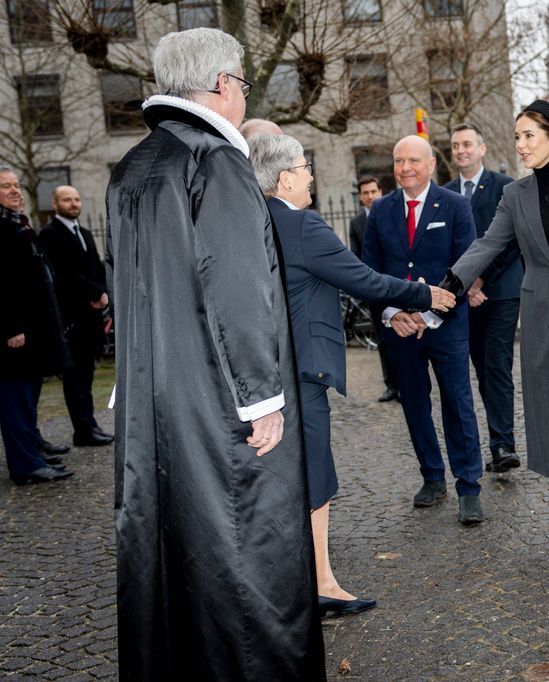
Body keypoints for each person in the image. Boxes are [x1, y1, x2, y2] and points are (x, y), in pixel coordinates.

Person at [105, 28, 324, 680]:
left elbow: (128, 286)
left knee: (169, 539)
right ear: (224, 85)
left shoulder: (133, 167)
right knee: (243, 549)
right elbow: (238, 284)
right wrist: (262, 397)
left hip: (156, 396)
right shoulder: (214, 162)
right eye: (244, 83)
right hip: (218, 396)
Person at [249, 134, 455, 615]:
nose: (311, 176)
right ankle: (319, 585)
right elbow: (361, 278)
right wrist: (424, 295)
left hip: (267, 369)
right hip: (303, 371)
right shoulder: (302, 224)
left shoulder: (251, 222)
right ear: (284, 178)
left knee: (283, 478)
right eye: (304, 167)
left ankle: (298, 581)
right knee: (315, 476)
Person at [449, 101, 549, 569]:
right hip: (538, 316)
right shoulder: (514, 195)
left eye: (528, 137)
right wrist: (451, 284)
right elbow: (488, 245)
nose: (519, 146)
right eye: (516, 137)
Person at [361, 135, 484, 525]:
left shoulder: (456, 206)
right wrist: (393, 313)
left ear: (432, 165)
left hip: (445, 325)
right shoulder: (380, 210)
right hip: (399, 328)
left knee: (457, 402)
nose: (405, 168)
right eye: (399, 161)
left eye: (414, 160)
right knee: (414, 403)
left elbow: (464, 266)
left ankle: (469, 486)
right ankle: (432, 477)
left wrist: (430, 314)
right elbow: (369, 271)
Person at [443, 124, 520, 474]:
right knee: (477, 369)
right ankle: (490, 442)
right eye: (456, 145)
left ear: (482, 148)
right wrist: (465, 287)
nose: (461, 150)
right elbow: (445, 249)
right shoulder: (443, 195)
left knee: (496, 366)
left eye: (468, 144)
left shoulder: (506, 188)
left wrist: (480, 279)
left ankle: (502, 444)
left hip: (500, 293)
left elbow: (512, 240)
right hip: (461, 299)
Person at [1, 172, 73, 485]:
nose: (16, 191)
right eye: (6, 187)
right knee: (15, 402)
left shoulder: (19, 224)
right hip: (13, 335)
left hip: (32, 332)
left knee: (28, 400)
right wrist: (10, 327)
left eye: (17, 185)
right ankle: (24, 465)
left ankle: (32, 454)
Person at [37, 186, 114, 447]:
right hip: (71, 318)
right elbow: (64, 275)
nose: (73, 203)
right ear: (55, 203)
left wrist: (103, 291)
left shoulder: (84, 233)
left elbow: (97, 267)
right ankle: (82, 429)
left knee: (88, 376)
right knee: (76, 379)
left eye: (77, 199)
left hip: (90, 318)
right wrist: (94, 293)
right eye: (67, 199)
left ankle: (89, 424)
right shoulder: (49, 235)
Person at [349, 176, 399, 403]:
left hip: (396, 285)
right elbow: (358, 257)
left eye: (373, 191)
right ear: (360, 197)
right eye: (365, 193)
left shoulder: (393, 214)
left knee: (403, 337)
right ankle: (391, 385)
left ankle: (407, 384)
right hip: (374, 290)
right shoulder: (356, 223)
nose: (370, 196)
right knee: (382, 339)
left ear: (380, 192)